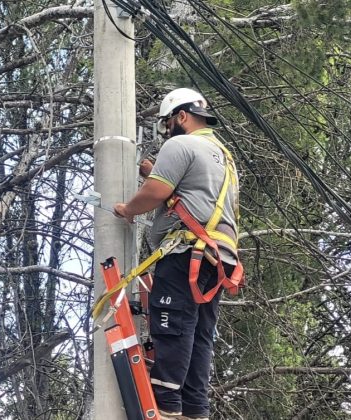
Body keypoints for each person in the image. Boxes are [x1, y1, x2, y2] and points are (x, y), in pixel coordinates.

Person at [114, 88, 240, 420]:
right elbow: (189, 191)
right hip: (218, 258)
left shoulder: (180, 144)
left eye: (169, 124)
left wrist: (128, 208)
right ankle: (194, 409)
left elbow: (158, 191)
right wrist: (152, 171)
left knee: (171, 323)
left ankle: (167, 406)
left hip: (187, 251)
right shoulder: (222, 155)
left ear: (182, 117)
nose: (167, 131)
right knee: (199, 334)